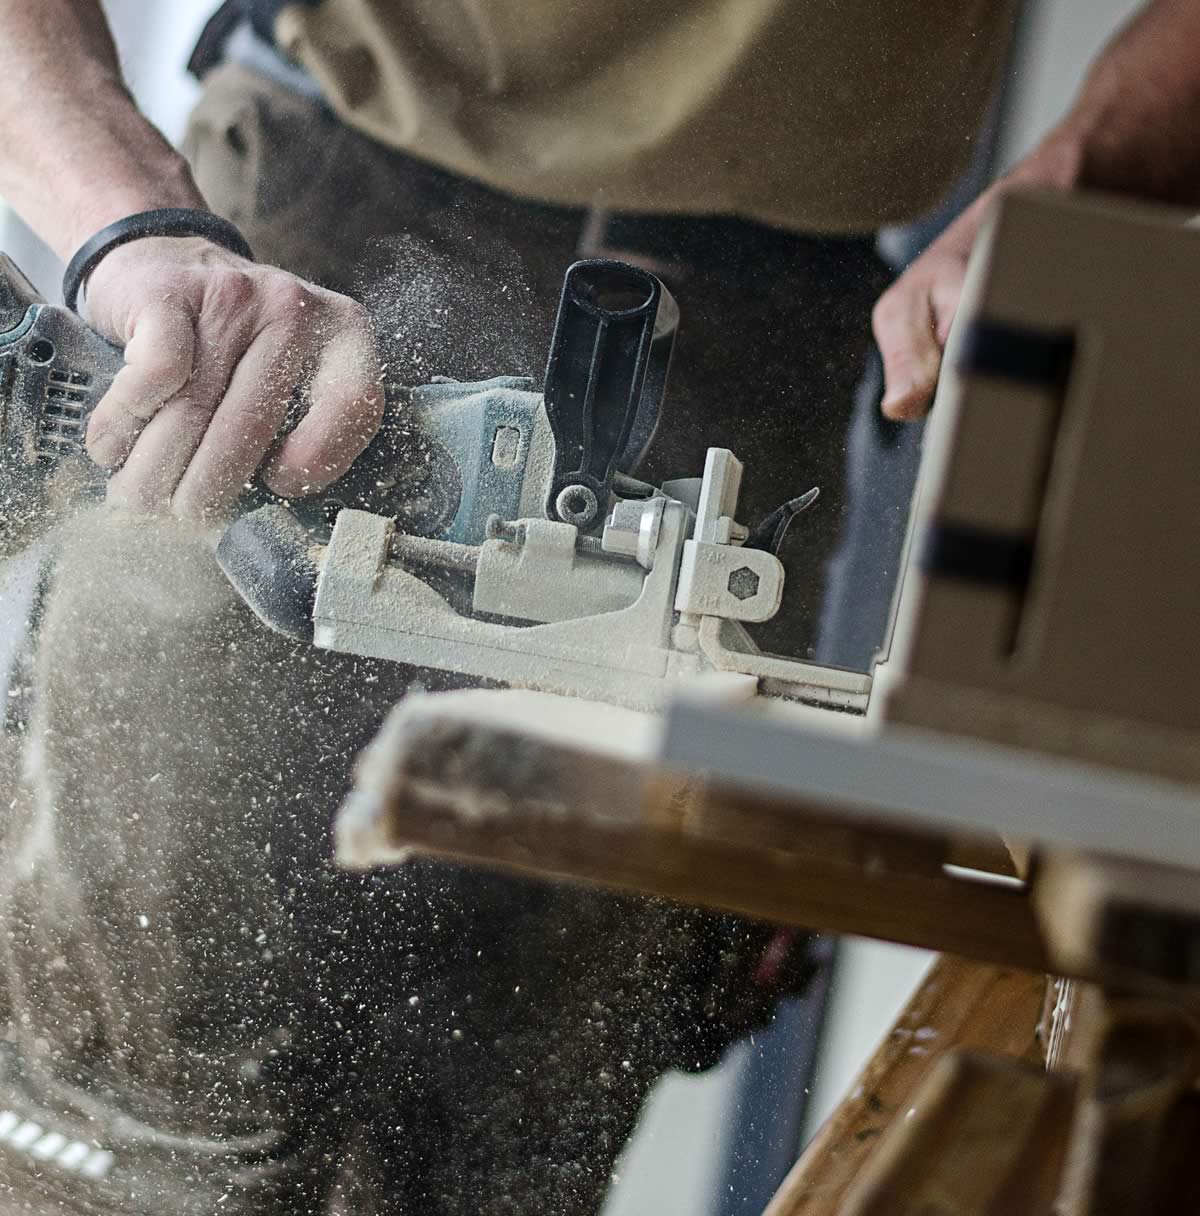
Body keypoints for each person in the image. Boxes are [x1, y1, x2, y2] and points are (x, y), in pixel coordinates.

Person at [0, 2, 1198, 1213]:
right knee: (136, 1121)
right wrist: (133, 220)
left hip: (772, 307)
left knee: (508, 1154)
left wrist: (1074, 183)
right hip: (289, 272)